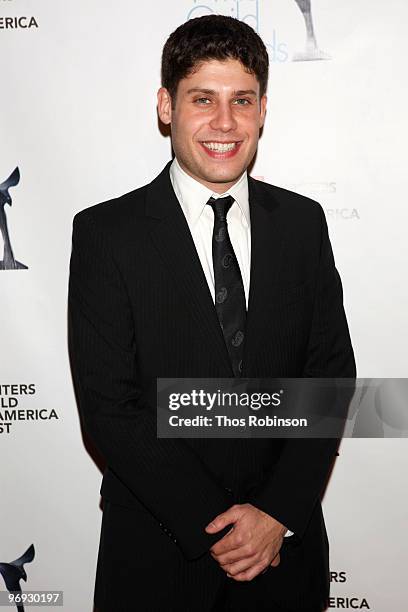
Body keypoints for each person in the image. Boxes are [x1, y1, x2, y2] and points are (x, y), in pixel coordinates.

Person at [68, 14, 356, 612]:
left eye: (241, 101)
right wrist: (222, 527)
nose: (224, 123)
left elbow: (329, 380)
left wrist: (276, 513)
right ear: (166, 106)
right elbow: (110, 407)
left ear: (262, 111)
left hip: (285, 559)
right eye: (203, 99)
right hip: (158, 557)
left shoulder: (303, 226)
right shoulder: (106, 234)